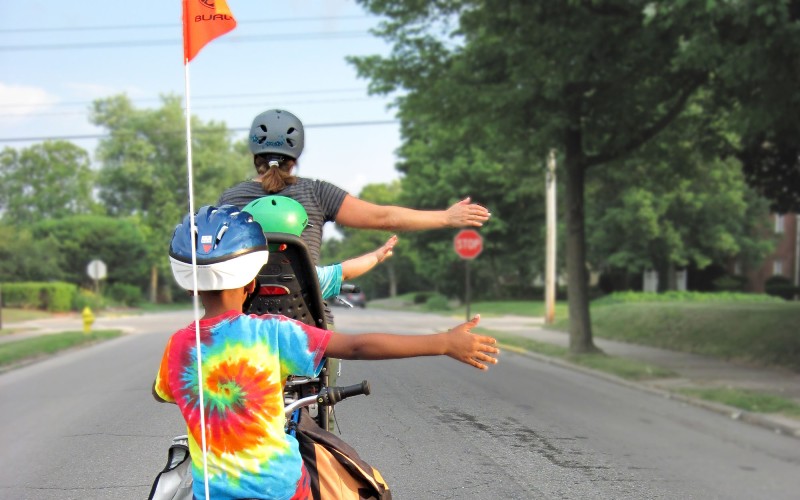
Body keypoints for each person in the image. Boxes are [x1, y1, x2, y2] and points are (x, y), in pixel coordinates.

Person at [153, 205, 499, 500]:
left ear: (190, 288)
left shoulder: (178, 346)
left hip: (211, 493)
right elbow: (357, 346)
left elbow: (165, 394)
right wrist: (443, 342)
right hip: (282, 489)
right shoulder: (271, 332)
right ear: (252, 283)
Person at [217, 108, 491, 265]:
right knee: (326, 350)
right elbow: (384, 218)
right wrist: (445, 217)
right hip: (304, 318)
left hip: (243, 319)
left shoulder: (229, 200)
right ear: (295, 157)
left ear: (255, 155)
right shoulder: (316, 193)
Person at [243, 195, 397, 300]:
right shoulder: (308, 276)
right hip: (302, 346)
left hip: (246, 346)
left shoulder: (238, 275)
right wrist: (376, 256)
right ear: (287, 244)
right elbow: (346, 271)